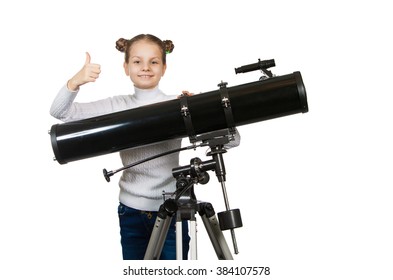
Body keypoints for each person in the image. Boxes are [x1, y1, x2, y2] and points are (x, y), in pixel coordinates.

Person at [50, 34, 191, 260]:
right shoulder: (117, 105)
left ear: (164, 67)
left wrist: (204, 111)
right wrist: (74, 82)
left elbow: (233, 140)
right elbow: (61, 113)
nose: (145, 67)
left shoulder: (178, 103)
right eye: (137, 61)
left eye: (153, 62)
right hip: (131, 212)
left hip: (173, 209)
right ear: (126, 67)